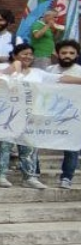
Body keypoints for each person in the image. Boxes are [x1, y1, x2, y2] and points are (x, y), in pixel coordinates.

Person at [0, 43, 48, 190]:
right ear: (15, 55)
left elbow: (58, 80)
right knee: (4, 145)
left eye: (30, 54)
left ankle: (29, 176)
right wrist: (15, 67)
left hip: (29, 115)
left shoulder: (38, 73)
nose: (28, 56)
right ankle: (0, 175)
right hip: (7, 115)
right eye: (24, 53)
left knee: (29, 147)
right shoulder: (2, 68)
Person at [49, 40, 81, 189]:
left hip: (73, 116)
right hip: (49, 115)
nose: (67, 56)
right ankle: (33, 174)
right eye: (64, 53)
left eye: (71, 53)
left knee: (72, 149)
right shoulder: (48, 70)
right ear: (57, 54)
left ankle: (67, 177)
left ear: (77, 55)